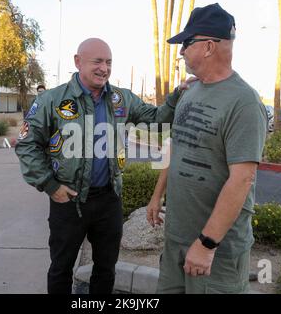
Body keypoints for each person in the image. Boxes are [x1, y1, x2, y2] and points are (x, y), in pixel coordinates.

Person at [15, 38, 187, 294]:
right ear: (78, 62)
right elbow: (27, 145)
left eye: (108, 62)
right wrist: (50, 185)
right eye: (97, 61)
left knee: (106, 269)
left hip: (109, 200)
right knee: (61, 268)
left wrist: (176, 96)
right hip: (68, 202)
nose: (104, 68)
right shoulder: (51, 100)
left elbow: (155, 118)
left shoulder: (121, 99)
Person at [146, 3, 267, 294]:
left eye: (187, 43)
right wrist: (156, 195)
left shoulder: (245, 103)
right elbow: (176, 146)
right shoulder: (191, 90)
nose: (181, 51)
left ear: (209, 46)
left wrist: (207, 244)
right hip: (176, 239)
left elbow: (242, 179)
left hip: (216, 253)